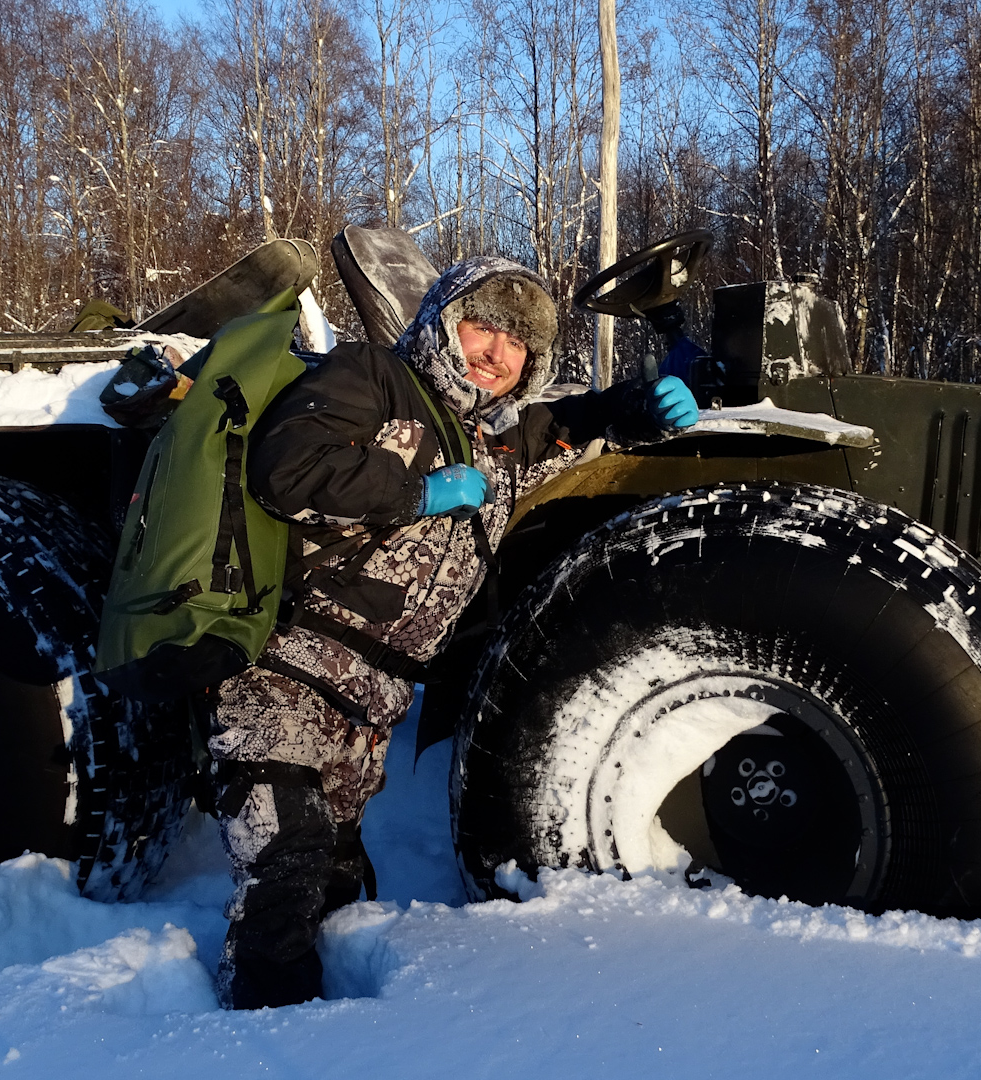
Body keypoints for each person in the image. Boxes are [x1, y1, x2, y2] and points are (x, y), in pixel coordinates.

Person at [209, 256, 699, 1009]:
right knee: (286, 856)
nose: (497, 351)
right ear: (443, 321)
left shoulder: (495, 440)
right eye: (484, 324)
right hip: (289, 668)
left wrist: (645, 405)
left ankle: (340, 1031)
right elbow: (287, 465)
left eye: (519, 343)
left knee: (336, 878)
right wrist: (414, 490)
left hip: (370, 704)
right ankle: (259, 1039)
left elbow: (571, 424)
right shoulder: (375, 378)